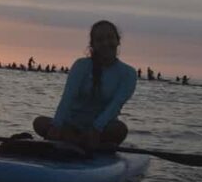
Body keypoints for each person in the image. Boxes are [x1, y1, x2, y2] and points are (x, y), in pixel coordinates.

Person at [33, 20, 137, 151]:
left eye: (110, 38)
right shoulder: (81, 65)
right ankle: (87, 143)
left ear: (118, 41)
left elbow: (115, 106)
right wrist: (57, 125)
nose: (105, 43)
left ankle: (77, 142)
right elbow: (67, 98)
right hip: (71, 126)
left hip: (102, 128)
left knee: (120, 129)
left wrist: (96, 129)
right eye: (100, 40)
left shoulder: (128, 73)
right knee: (39, 123)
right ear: (93, 45)